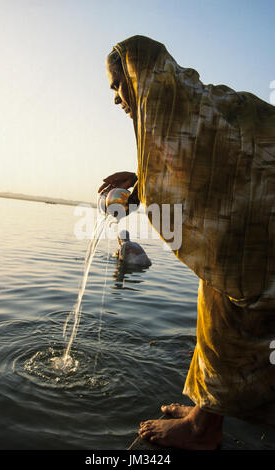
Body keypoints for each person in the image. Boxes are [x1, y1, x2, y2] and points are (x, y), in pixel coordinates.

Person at [99, 35, 275, 450]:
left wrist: (144, 188)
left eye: (116, 84)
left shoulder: (197, 113)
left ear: (138, 77)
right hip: (251, 227)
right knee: (218, 306)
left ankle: (202, 429)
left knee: (230, 315)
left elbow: (213, 174)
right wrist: (143, 184)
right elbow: (208, 175)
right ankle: (205, 410)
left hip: (259, 235)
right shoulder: (196, 111)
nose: (115, 98)